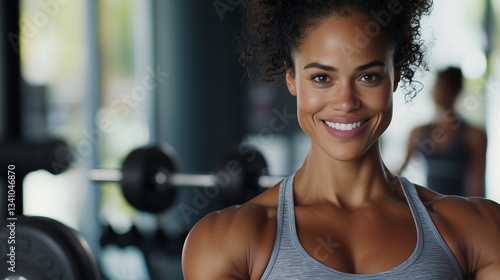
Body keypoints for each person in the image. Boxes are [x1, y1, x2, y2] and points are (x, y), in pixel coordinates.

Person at [182, 1, 500, 279]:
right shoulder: (224, 243)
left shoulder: (477, 230)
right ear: (291, 78)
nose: (346, 102)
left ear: (396, 75)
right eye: (322, 77)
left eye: (368, 76)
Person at [398, 67, 487, 197]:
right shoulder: (418, 133)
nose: (435, 90)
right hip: (430, 210)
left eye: (440, 86)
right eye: (436, 86)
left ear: (454, 91)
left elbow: (476, 189)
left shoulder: (474, 136)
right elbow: (398, 174)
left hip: (461, 211)